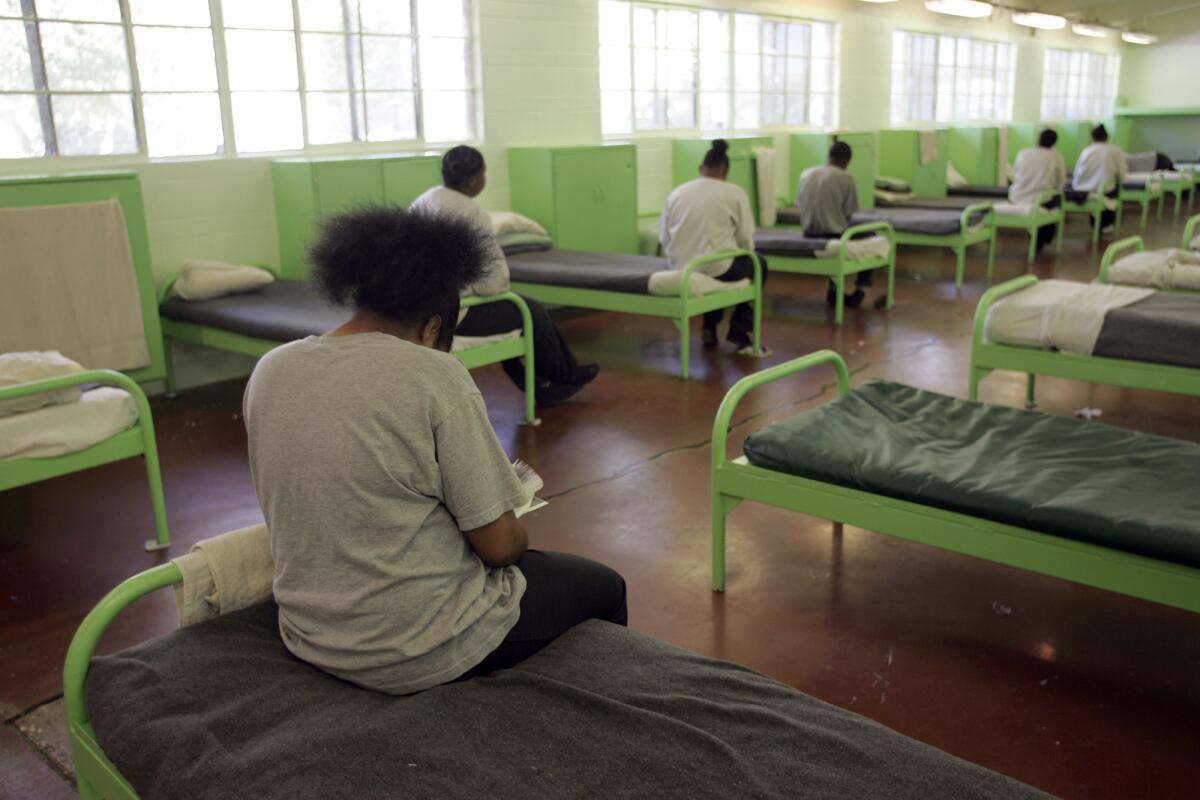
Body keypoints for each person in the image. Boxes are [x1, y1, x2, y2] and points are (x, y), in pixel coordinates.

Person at [243, 206, 627, 695]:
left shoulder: (272, 368)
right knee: (605, 586)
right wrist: (512, 522)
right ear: (433, 327)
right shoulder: (434, 377)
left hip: (309, 632)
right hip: (414, 644)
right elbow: (498, 547)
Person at [411, 145, 598, 407]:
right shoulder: (470, 214)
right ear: (474, 179)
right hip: (456, 312)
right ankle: (564, 376)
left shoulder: (423, 202)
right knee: (529, 312)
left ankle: (543, 384)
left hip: (422, 309)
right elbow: (491, 286)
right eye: (485, 173)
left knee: (515, 312)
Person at [659, 139, 765, 352]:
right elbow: (746, 237)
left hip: (682, 266)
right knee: (758, 265)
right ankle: (739, 329)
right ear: (725, 170)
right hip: (717, 267)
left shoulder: (677, 193)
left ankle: (710, 327)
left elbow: (663, 237)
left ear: (700, 168)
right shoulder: (734, 192)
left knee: (714, 266)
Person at [795, 140, 879, 309]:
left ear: (829, 156)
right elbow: (849, 214)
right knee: (872, 239)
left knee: (836, 228)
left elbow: (799, 204)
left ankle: (834, 290)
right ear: (846, 161)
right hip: (833, 234)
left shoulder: (806, 173)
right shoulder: (846, 178)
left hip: (808, 231)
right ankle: (861, 289)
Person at [1010, 129, 1067, 253]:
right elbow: (1061, 181)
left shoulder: (1023, 153)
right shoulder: (1056, 156)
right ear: (1054, 142)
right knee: (1055, 200)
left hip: (1017, 197)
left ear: (1038, 139)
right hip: (1041, 200)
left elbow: (1015, 175)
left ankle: (1037, 237)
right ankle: (1041, 238)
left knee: (1047, 199)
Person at [1071, 124, 1126, 233]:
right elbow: (1122, 173)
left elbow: (1076, 172)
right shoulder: (1115, 150)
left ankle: (1099, 221)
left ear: (1092, 138)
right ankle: (1108, 222)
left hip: (1081, 189)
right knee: (1116, 187)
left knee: (1107, 186)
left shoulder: (1086, 151)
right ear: (1107, 137)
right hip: (1104, 190)